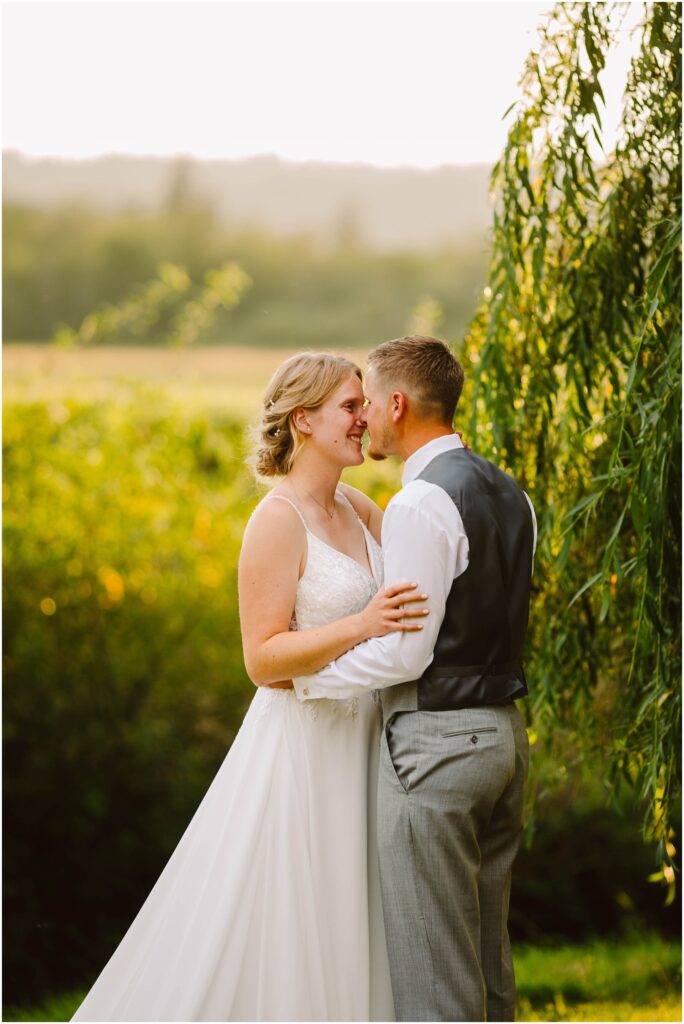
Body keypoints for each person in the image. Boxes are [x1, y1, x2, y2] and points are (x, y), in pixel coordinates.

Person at [71, 352, 428, 1022]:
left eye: (362, 406)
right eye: (351, 406)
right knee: (296, 914)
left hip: (367, 742)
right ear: (304, 419)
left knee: (359, 911)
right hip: (304, 748)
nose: (365, 418)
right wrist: (362, 623)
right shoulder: (276, 519)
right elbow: (263, 658)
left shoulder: (360, 506)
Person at [294, 335, 537, 1023]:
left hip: (435, 748)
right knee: (487, 963)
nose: (363, 415)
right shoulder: (510, 492)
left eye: (367, 401)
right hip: (504, 741)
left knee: (434, 974)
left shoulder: (420, 503)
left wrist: (313, 681)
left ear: (397, 404)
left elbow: (405, 655)